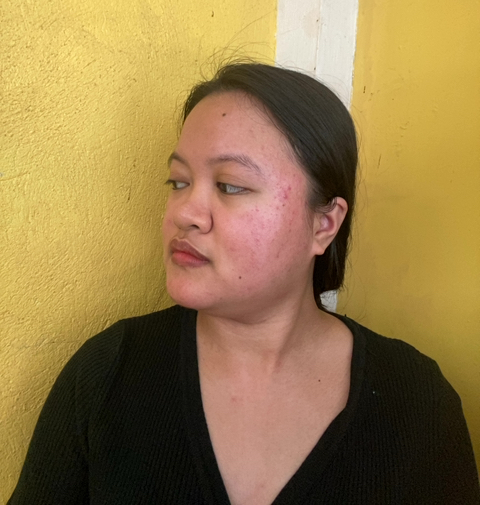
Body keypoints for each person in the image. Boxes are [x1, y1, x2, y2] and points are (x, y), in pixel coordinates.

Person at [8, 63, 480, 504]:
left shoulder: (416, 402)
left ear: (324, 224)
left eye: (230, 185)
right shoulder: (108, 374)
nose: (185, 213)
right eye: (178, 182)